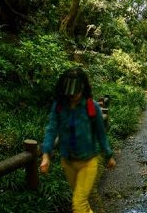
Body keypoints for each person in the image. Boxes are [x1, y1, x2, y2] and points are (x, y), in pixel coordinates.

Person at [40, 67, 116, 213]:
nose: (73, 95)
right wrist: (45, 155)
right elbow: (51, 129)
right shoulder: (60, 106)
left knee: (78, 204)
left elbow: (101, 134)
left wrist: (108, 155)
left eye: (76, 92)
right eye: (70, 92)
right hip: (67, 161)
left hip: (88, 162)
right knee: (82, 202)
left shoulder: (91, 107)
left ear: (83, 88)